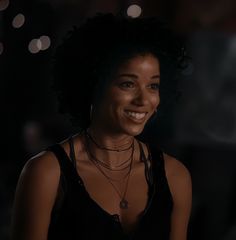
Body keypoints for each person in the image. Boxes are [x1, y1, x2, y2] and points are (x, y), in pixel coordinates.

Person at [11, 13, 192, 240]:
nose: (143, 100)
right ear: (94, 85)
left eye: (153, 85)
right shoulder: (46, 173)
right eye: (128, 84)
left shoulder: (175, 176)